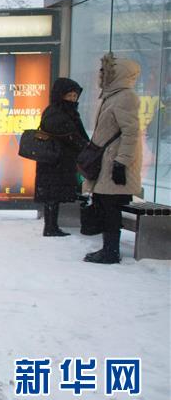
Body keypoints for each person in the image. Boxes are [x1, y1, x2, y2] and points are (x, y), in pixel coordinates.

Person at [83, 53, 142, 264]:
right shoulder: (113, 96)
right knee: (105, 205)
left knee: (110, 207)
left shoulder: (125, 97)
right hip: (108, 161)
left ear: (116, 74)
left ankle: (110, 251)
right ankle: (108, 249)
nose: (100, 75)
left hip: (114, 162)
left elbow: (131, 133)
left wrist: (121, 162)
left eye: (105, 72)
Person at [34, 78, 89, 236]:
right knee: (53, 194)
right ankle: (51, 227)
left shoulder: (61, 112)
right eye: (69, 96)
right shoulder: (58, 114)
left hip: (56, 161)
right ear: (61, 95)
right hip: (55, 162)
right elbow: (71, 136)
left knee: (54, 194)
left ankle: (52, 226)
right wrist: (85, 146)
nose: (72, 99)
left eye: (75, 96)